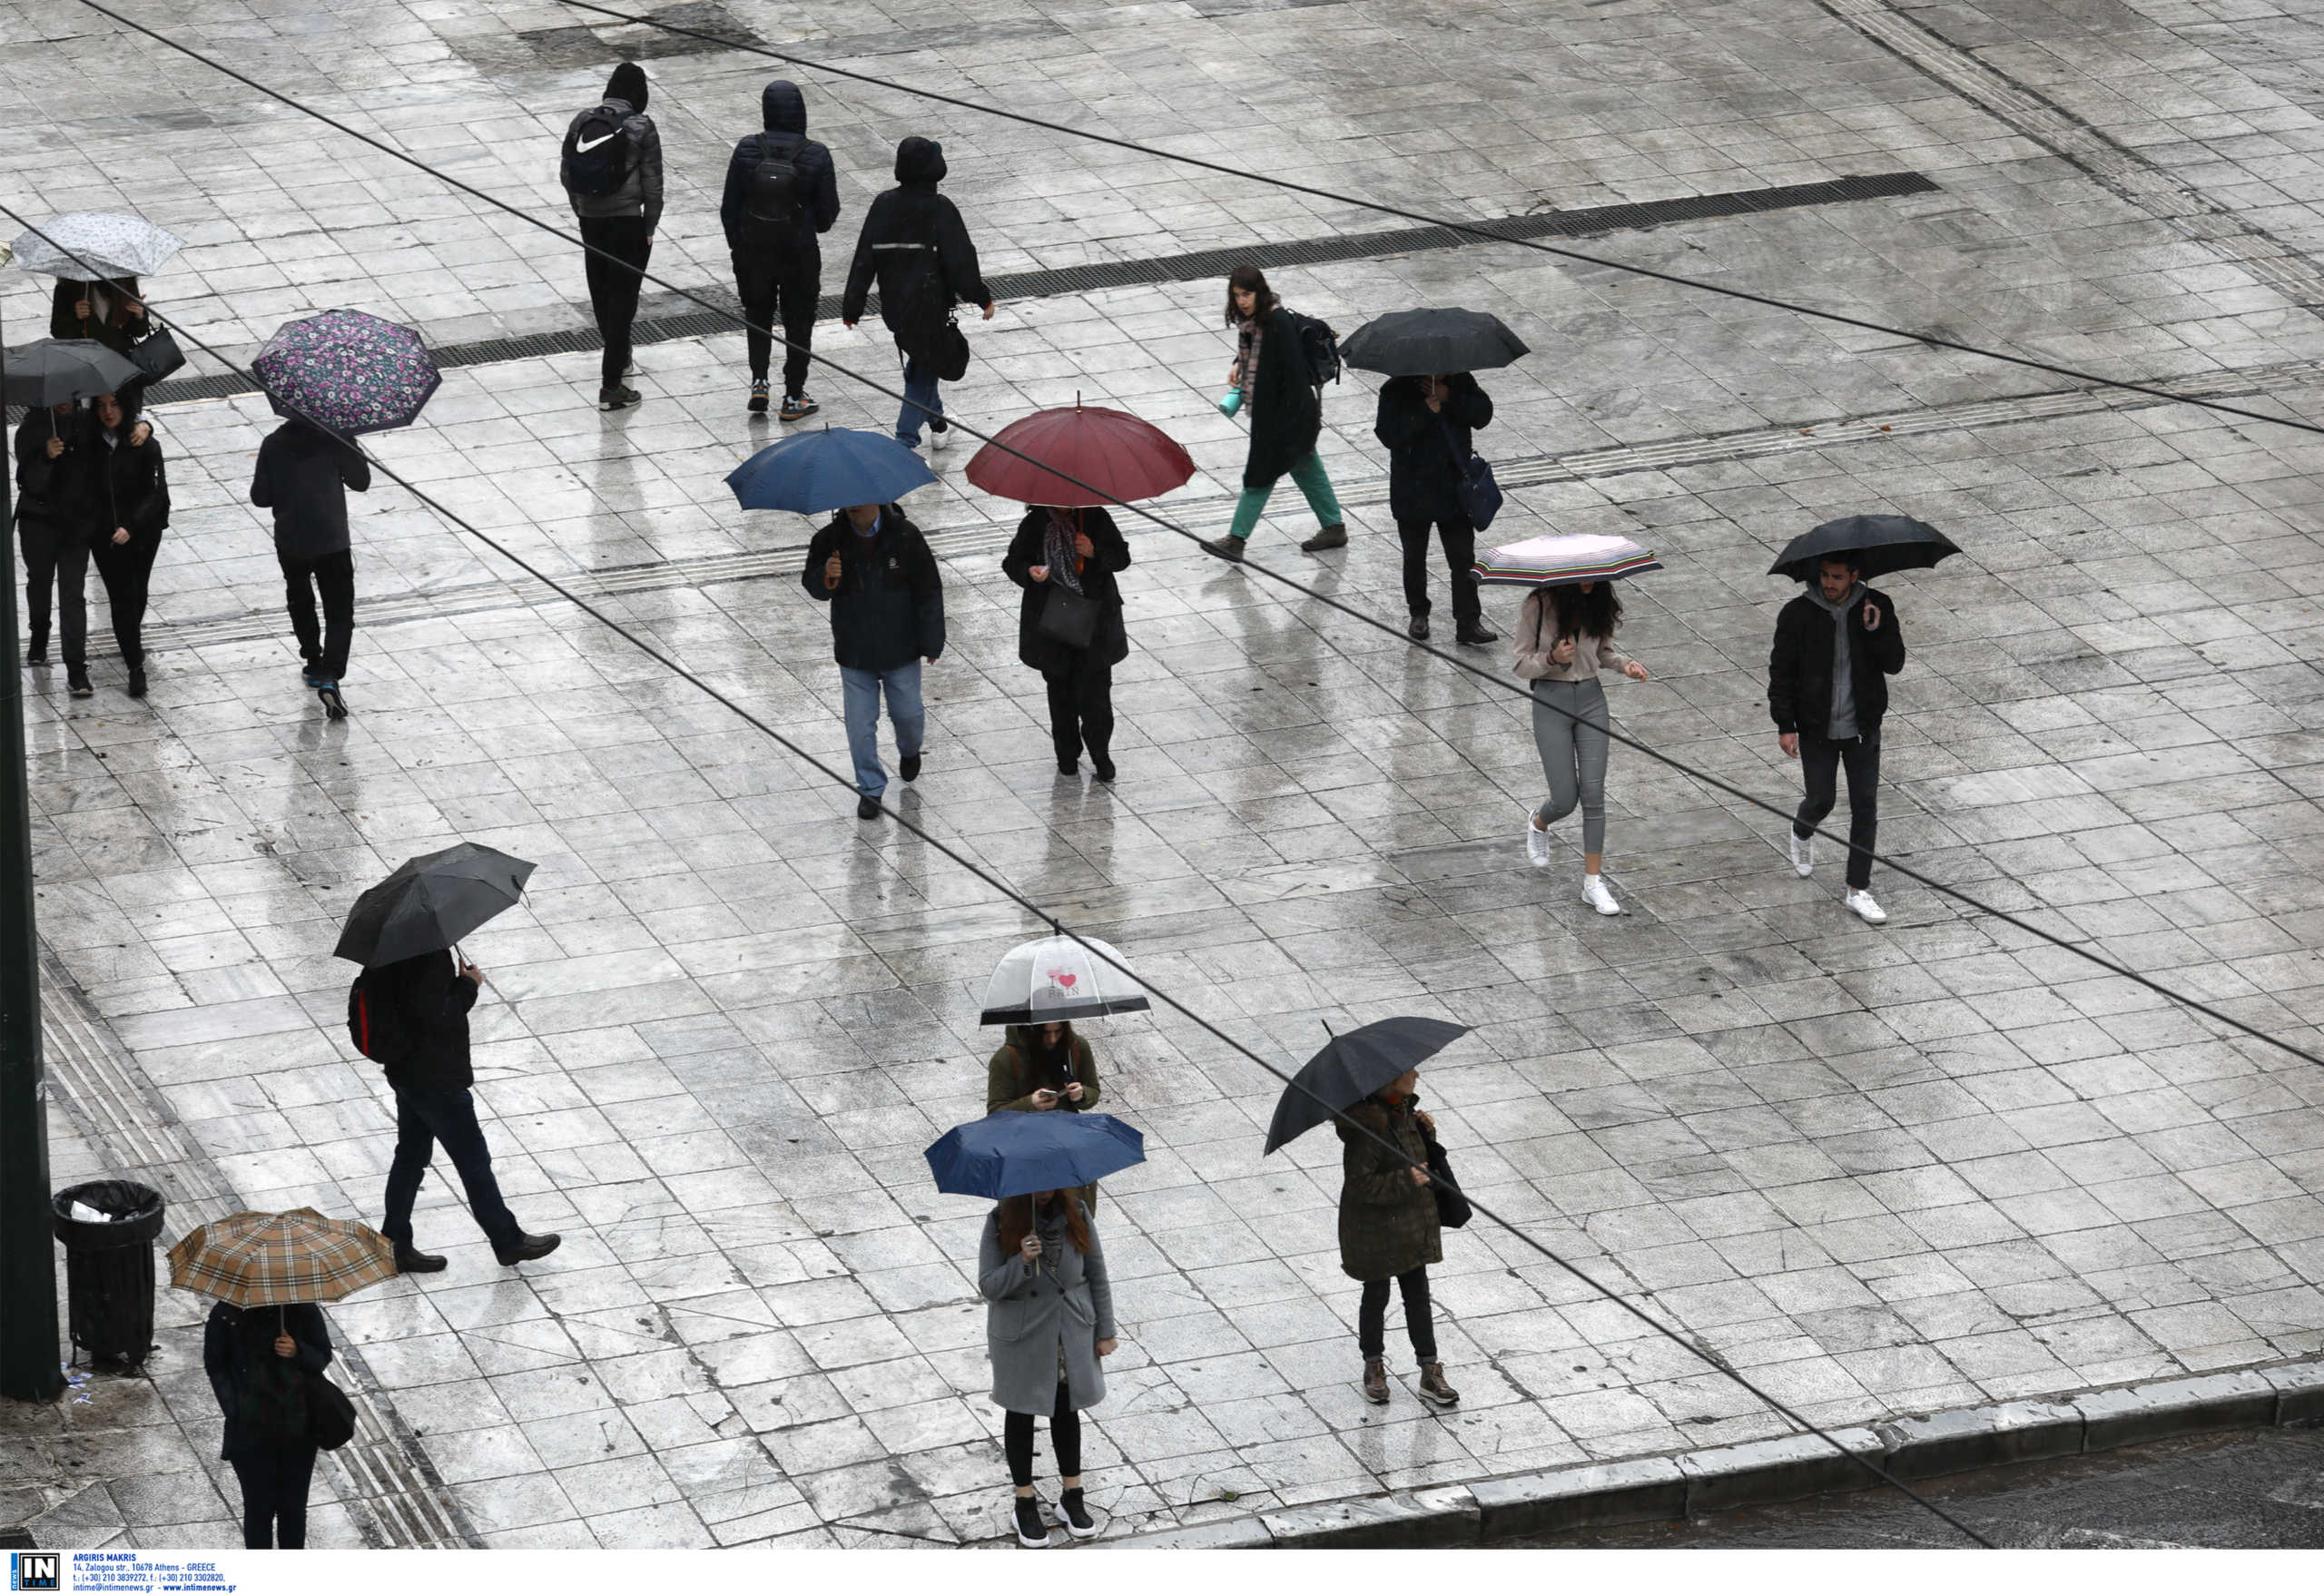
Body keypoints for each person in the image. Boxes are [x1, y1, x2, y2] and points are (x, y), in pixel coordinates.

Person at [372, 948, 560, 1270]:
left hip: (406, 1072)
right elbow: (439, 1016)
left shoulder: (388, 953)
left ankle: (395, 1244)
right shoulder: (426, 956)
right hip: (437, 1079)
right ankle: (508, 1241)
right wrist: (468, 985)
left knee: (410, 1158)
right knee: (474, 1163)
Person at [1768, 552, 1905, 925]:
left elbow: (1894, 663)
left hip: (1862, 726)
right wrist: (1785, 725)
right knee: (1821, 799)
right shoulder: (1797, 614)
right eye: (1825, 576)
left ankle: (1857, 890)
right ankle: (1801, 829)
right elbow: (1781, 672)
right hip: (1817, 727)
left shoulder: (1877, 606)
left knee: (1865, 807)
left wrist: (1875, 631)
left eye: (1838, 577)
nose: (1829, 583)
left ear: (1854, 576)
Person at [979, 1189, 1116, 1547]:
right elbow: (989, 1286)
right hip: (1023, 1336)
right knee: (1021, 1415)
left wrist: (1106, 1330)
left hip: (1069, 1332)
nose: (1045, 1192)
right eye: (1037, 1185)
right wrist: (1022, 1260)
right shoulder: (1000, 1220)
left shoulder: (1078, 1214)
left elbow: (1097, 1275)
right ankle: (1024, 1501)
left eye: (1051, 1183)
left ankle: (1072, 1496)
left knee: (1066, 1411)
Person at [841, 136, 994, 453]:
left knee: (923, 363)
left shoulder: (883, 204)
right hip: (929, 307)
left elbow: (864, 257)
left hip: (896, 308)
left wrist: (852, 305)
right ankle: (904, 442)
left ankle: (938, 423)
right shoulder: (940, 209)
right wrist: (981, 297)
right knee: (921, 375)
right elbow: (960, 259)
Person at [1512, 579, 1650, 916]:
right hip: (1551, 700)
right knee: (1565, 798)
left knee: (1593, 794)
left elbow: (1602, 653)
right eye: (1581, 579)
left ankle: (1593, 883)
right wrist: (1551, 657)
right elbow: (1519, 664)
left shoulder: (1598, 602)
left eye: (1594, 577)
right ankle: (1539, 823)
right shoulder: (1538, 605)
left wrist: (1623, 665)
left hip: (1591, 700)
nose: (1588, 583)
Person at [801, 502, 945, 818]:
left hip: (901, 648)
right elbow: (814, 587)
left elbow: (929, 589)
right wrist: (826, 576)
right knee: (859, 727)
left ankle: (910, 751)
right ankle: (870, 788)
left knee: (907, 714)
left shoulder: (906, 536)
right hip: (855, 652)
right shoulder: (828, 540)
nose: (852, 505)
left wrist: (932, 640)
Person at [1198, 265, 1344, 563]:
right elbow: (1260, 356)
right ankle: (1334, 527)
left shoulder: (1276, 322)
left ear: (1259, 291)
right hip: (1282, 416)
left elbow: (1292, 374)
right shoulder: (1256, 324)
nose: (1242, 301)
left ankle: (1236, 540)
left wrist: (1285, 423)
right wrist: (1240, 363)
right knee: (1306, 470)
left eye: (1247, 294)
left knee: (1259, 476)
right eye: (1237, 295)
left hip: (1286, 417)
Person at [720, 79, 840, 420]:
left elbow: (729, 207)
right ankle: (793, 397)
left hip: (753, 254)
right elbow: (828, 214)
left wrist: (739, 246)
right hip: (798, 255)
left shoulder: (747, 149)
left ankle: (759, 383)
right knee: (798, 323)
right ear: (801, 111)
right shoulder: (816, 154)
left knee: (757, 317)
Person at [1336, 1067, 1456, 1408]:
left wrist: (1428, 1135)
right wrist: (1408, 1179)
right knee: (1376, 1295)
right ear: (1388, 1081)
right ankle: (1373, 1365)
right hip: (1374, 1230)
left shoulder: (1405, 1114)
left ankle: (1429, 1369)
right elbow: (1360, 1184)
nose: (1416, 1074)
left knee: (1418, 1295)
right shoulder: (1365, 1131)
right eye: (1408, 1072)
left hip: (1411, 1222)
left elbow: (1417, 1159)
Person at [560, 61, 663, 413]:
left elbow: (566, 172)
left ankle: (618, 357)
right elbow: (653, 183)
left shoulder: (582, 120)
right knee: (624, 299)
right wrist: (649, 226)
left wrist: (582, 211)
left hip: (592, 221)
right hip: (627, 224)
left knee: (602, 295)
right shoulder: (641, 126)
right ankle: (612, 384)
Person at [1001, 506, 1129, 781]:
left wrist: (1094, 552)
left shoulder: (1095, 518)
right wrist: (1029, 572)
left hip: (1094, 626)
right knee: (1060, 695)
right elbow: (1012, 562)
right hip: (1053, 625)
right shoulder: (1036, 523)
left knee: (1096, 698)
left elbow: (1121, 557)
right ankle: (1067, 753)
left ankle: (1100, 753)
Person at [251, 419, 369, 708]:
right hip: (332, 540)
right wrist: (350, 442)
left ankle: (313, 658)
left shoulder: (273, 443)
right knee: (339, 611)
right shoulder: (335, 437)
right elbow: (361, 482)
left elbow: (260, 497)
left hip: (291, 540)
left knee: (300, 596)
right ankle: (331, 674)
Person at [1375, 371, 1495, 645]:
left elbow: (1482, 416)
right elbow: (1389, 435)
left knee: (1463, 557)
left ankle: (1468, 621)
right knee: (1414, 557)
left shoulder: (1460, 381)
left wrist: (1449, 397)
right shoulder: (1395, 389)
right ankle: (1418, 614)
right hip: (1412, 490)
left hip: (1454, 490)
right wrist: (1424, 411)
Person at [204, 1299, 330, 1548]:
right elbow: (215, 1365)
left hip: (298, 1426)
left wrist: (298, 1351)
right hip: (250, 1431)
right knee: (258, 1508)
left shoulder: (302, 1309)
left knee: (292, 1508)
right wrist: (235, 1409)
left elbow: (322, 1356)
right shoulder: (225, 1315)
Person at [79, 393, 165, 699]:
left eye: (114, 404)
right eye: (101, 406)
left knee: (138, 590)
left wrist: (131, 526)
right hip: (105, 536)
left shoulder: (144, 443)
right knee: (120, 597)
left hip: (142, 533)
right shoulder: (88, 442)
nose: (108, 411)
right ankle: (134, 663)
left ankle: (131, 639)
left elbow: (156, 494)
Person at [14, 398, 91, 694]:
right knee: (40, 581)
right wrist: (46, 457)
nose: (63, 402)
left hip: (74, 524)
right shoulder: (31, 429)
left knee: (73, 595)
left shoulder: (87, 423)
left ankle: (76, 668)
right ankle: (39, 636)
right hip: (39, 522)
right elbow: (29, 483)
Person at [987, 1021, 1105, 1211]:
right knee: (1026, 1223)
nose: (1052, 1039)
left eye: (1058, 1032)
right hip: (1025, 1153)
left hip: (1065, 1151)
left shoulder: (1075, 1047)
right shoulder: (1007, 1059)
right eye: (1045, 1033)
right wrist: (1030, 1104)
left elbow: (1093, 1089)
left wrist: (1082, 1094)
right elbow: (995, 1115)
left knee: (1073, 1223)